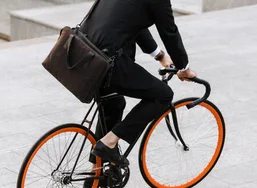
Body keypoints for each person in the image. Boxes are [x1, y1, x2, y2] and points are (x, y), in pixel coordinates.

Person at [81, 0, 197, 170]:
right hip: (108, 60)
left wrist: (159, 56)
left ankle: (95, 175)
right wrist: (184, 68)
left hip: (85, 51)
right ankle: (109, 143)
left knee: (113, 103)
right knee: (162, 95)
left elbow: (133, 20)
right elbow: (169, 32)